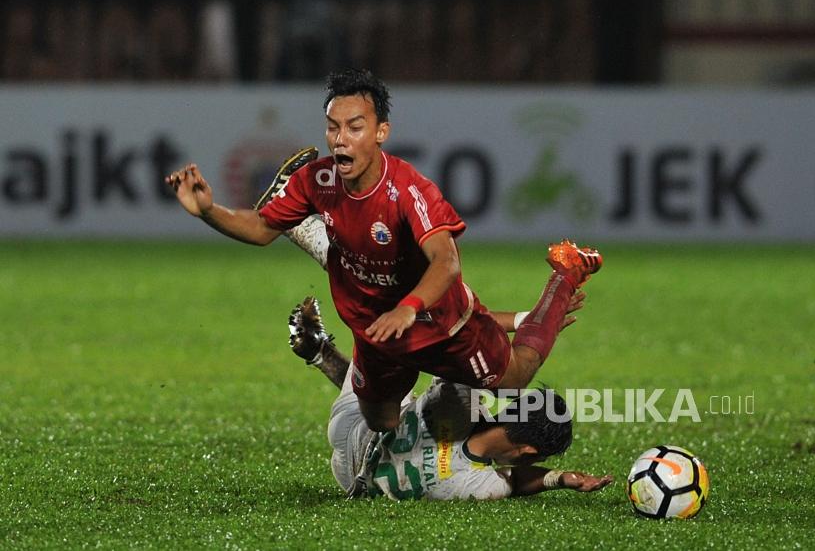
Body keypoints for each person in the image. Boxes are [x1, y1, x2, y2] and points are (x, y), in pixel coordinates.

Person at [165, 68, 602, 432]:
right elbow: (261, 228)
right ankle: (306, 231)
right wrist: (207, 210)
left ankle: (565, 273)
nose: (340, 139)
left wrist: (409, 308)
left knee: (514, 380)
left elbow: (446, 261)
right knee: (382, 423)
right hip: (376, 332)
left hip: (441, 326)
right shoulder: (318, 180)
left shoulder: (409, 190)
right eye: (333, 128)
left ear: (380, 132)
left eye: (355, 128)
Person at [287, 296, 614, 501]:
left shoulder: (463, 398)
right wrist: (558, 478)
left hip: (355, 429)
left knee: (398, 362)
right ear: (527, 451)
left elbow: (453, 327)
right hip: (354, 481)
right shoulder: (481, 485)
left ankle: (323, 346)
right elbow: (512, 480)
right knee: (398, 392)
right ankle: (320, 352)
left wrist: (527, 322)